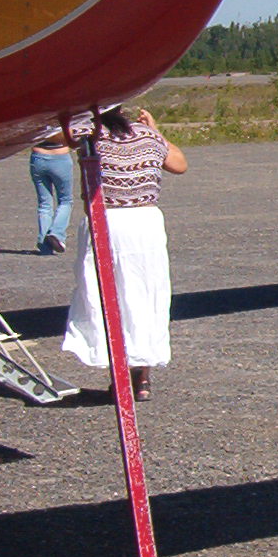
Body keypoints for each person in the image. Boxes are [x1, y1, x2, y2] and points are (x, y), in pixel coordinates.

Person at [62, 106, 187, 401]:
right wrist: (155, 130)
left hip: (107, 218)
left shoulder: (90, 135)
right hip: (145, 222)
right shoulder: (147, 136)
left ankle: (118, 375)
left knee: (107, 296)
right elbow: (179, 164)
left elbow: (63, 136)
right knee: (146, 296)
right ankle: (142, 378)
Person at [29, 133, 74, 254]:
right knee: (65, 201)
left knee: (44, 204)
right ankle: (56, 234)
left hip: (38, 156)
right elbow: (69, 135)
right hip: (60, 156)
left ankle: (45, 246)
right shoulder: (60, 116)